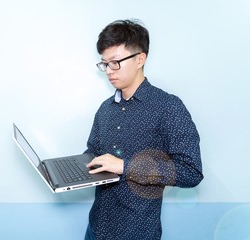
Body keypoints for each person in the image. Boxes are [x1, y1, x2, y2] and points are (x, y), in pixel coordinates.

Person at [84, 19, 204, 240]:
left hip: (136, 232)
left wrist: (125, 166)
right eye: (104, 64)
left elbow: (191, 172)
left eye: (115, 62)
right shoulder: (105, 108)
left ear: (140, 59)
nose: (109, 71)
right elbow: (93, 151)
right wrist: (67, 171)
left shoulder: (168, 106)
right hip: (96, 227)